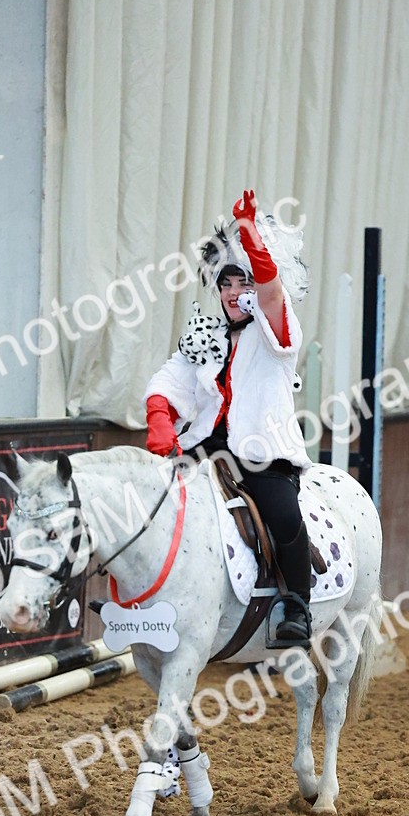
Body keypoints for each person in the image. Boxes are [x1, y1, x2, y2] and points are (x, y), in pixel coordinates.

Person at [145, 188, 313, 645]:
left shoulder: (276, 329)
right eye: (226, 284)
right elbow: (170, 380)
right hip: (206, 448)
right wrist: (160, 418)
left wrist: (250, 235)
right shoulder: (206, 332)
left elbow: (272, 291)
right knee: (151, 497)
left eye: (243, 283)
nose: (234, 293)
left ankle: (298, 605)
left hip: (263, 453)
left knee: (282, 513)